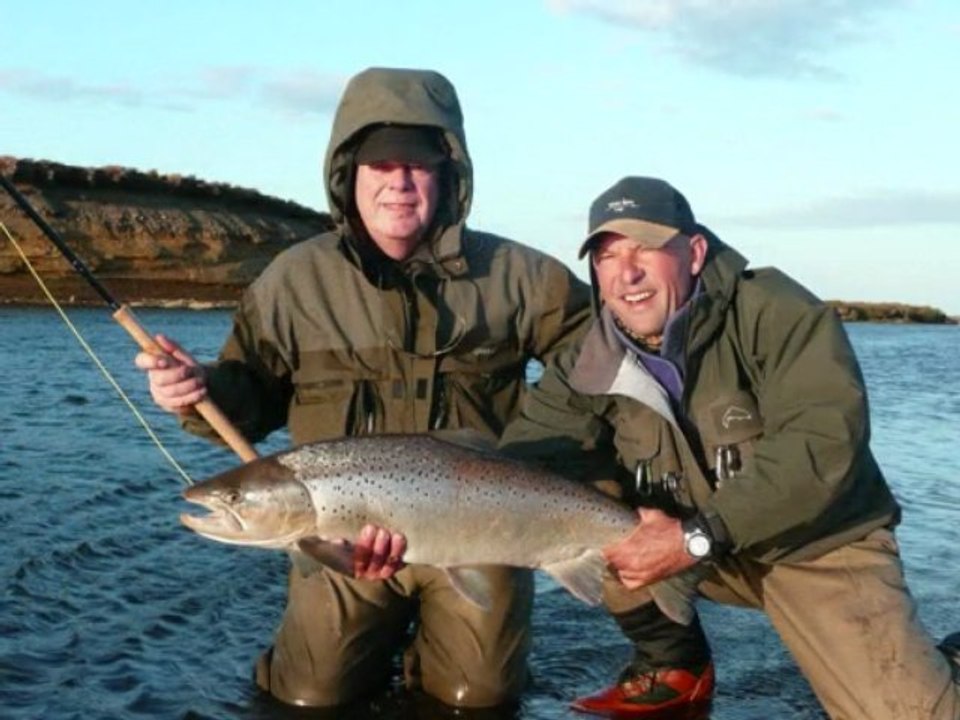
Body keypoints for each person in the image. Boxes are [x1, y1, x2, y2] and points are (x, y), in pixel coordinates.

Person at [135, 66, 592, 710]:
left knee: (479, 699)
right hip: (336, 542)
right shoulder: (293, 282)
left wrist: (533, 454)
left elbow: (603, 362)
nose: (399, 183)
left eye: (418, 165)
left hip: (482, 530)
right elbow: (251, 395)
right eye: (380, 166)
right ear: (349, 176)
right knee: (308, 698)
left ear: (450, 175)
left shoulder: (520, 275)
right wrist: (196, 389)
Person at [495, 176, 960, 719]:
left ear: (693, 253)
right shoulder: (588, 356)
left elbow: (822, 443)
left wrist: (695, 537)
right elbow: (526, 459)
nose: (628, 274)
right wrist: (418, 524)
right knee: (584, 506)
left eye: (646, 247)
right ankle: (674, 664)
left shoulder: (774, 310)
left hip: (815, 546)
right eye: (607, 256)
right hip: (691, 543)